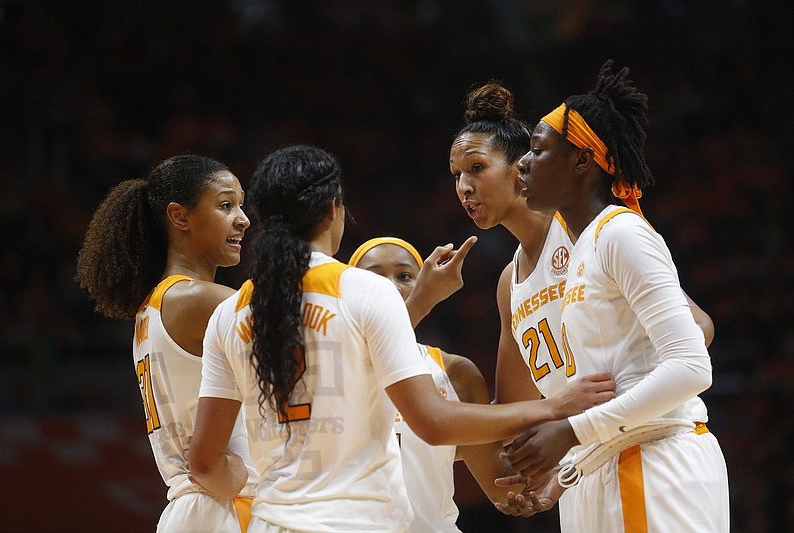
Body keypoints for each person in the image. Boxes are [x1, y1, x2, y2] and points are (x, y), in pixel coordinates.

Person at [186, 144, 616, 533]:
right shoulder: (361, 292)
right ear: (333, 209)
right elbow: (432, 423)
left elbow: (204, 464)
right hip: (358, 523)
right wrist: (554, 406)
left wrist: (256, 485)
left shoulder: (229, 314)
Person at [448, 80, 716, 523]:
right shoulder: (507, 283)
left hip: (642, 442)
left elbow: (697, 330)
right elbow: (518, 409)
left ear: (521, 167)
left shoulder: (589, 231)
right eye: (456, 175)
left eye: (476, 168)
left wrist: (597, 406)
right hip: (582, 467)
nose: (463, 186)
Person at [75, 155, 258, 533]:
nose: (243, 219)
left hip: (195, 508)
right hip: (223, 503)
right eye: (226, 205)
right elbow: (324, 346)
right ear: (180, 216)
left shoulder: (156, 306)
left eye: (241, 205)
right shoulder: (203, 301)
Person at [348, 236, 516, 532]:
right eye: (374, 277)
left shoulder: (456, 373)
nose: (390, 286)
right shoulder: (332, 367)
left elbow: (501, 487)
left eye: (404, 276)